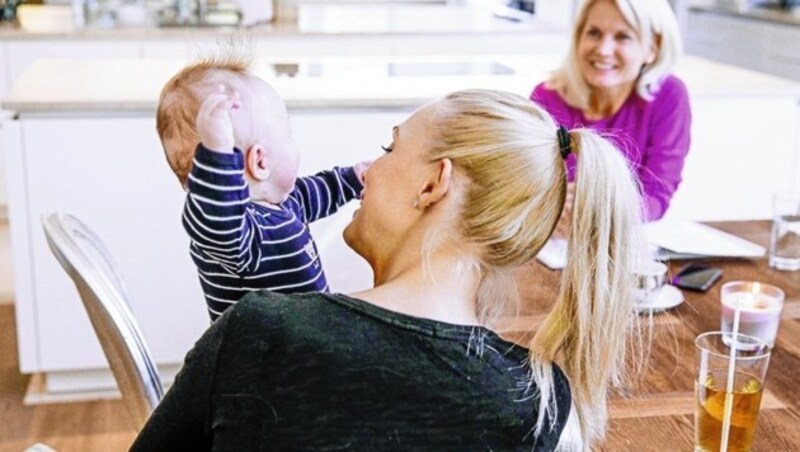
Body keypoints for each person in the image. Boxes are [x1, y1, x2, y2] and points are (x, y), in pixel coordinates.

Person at [132, 89, 646, 451]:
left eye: (389, 147)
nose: (370, 168)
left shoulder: (260, 332)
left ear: (433, 185)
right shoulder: (542, 403)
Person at [156, 57, 368, 321]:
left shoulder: (282, 205)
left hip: (308, 346)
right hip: (265, 360)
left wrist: (350, 179)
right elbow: (214, 220)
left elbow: (311, 193)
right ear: (260, 161)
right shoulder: (241, 236)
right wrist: (218, 153)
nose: (293, 142)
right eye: (288, 136)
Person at [531, 0, 690, 224]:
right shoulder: (547, 97)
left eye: (623, 37)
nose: (604, 50)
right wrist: (550, 207)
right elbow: (526, 187)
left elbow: (657, 195)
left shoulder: (668, 95)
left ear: (652, 49)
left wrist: (600, 210)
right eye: (594, 33)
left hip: (619, 239)